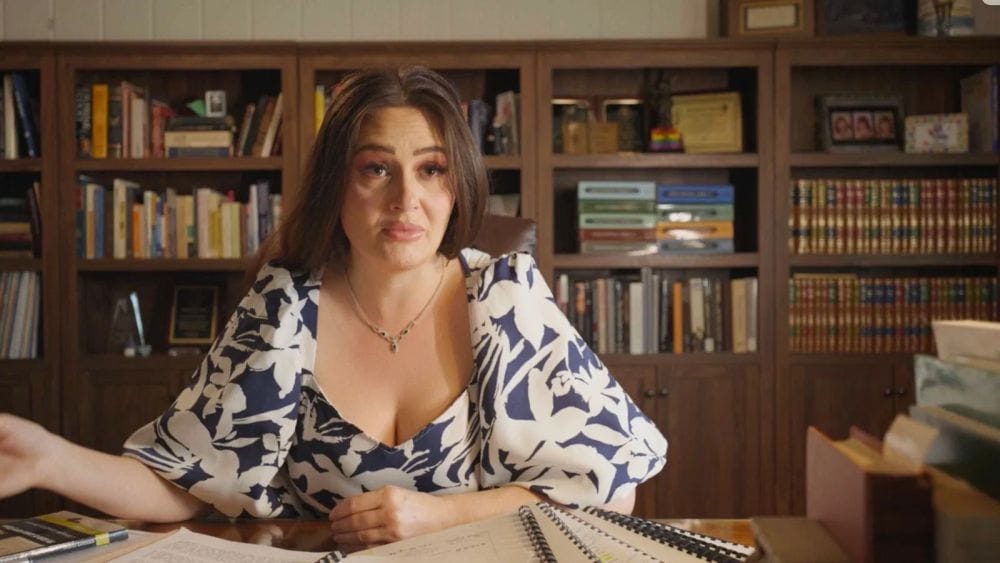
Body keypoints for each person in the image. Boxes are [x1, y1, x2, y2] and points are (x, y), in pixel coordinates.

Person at [0, 67, 667, 547]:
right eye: (376, 168)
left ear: (457, 184)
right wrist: (46, 458)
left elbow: (609, 488)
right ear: (337, 184)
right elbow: (186, 481)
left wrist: (438, 516)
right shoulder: (285, 305)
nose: (406, 198)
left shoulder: (505, 297)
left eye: (431, 169)